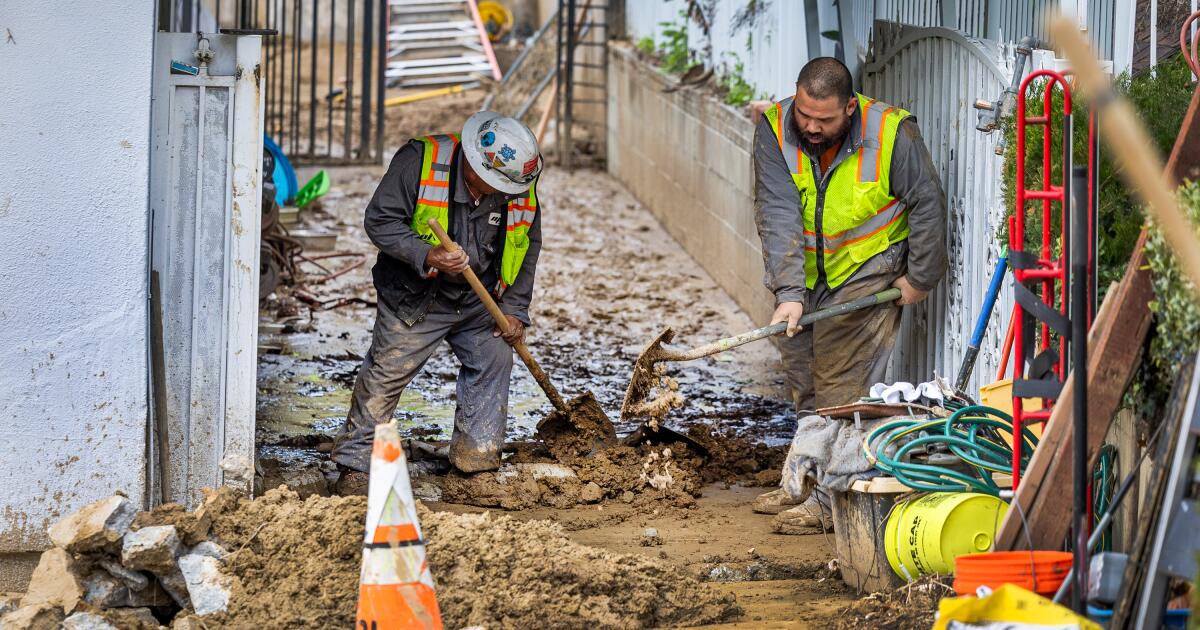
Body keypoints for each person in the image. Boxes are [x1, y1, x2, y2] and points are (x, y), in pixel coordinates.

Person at [751, 57, 948, 527]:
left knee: (841, 385)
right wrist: (789, 292)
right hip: (808, 274)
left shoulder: (892, 134)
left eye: (825, 119)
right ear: (795, 94)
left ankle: (828, 502)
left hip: (866, 268)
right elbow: (776, 211)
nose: (811, 128)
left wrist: (920, 276)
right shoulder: (775, 129)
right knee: (804, 374)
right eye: (805, 114)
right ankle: (805, 478)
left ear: (850, 109)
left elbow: (927, 200)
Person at [331, 112, 544, 494]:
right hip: (417, 295)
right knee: (388, 369)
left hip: (481, 299)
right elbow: (380, 220)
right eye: (493, 184)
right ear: (475, 165)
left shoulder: (518, 184)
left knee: (495, 357)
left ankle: (475, 465)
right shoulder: (419, 162)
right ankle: (356, 465)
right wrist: (427, 255)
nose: (503, 193)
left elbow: (526, 245)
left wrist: (514, 309)